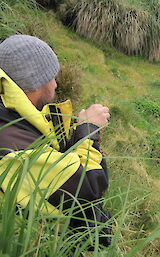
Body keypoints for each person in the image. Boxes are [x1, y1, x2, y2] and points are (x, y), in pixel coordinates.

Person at [0, 35, 112, 246]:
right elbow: (86, 189)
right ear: (33, 82)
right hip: (28, 243)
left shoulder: (12, 116)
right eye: (51, 76)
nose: (56, 83)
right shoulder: (13, 145)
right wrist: (89, 130)